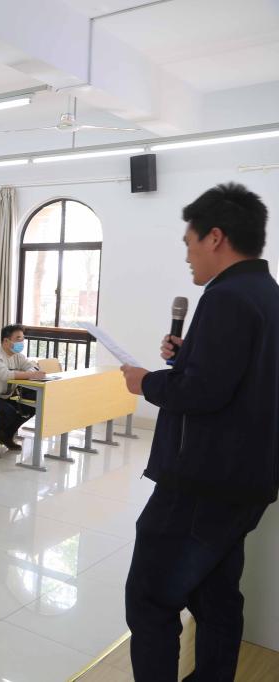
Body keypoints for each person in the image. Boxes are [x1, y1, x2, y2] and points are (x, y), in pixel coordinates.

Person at [118, 183, 279, 681]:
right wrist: (187, 355)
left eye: (189, 243)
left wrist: (147, 381)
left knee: (150, 599)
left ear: (215, 237)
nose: (187, 256)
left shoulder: (226, 297)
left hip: (201, 484)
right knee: (216, 595)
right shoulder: (267, 295)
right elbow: (242, 378)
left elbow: (203, 393)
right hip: (246, 480)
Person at [0, 324, 45, 457]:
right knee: (9, 412)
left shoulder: (17, 355)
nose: (21, 342)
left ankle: (6, 436)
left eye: (22, 339)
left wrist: (31, 372)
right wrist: (30, 374)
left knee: (29, 408)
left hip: (4, 395)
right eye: (18, 339)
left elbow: (33, 366)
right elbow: (4, 375)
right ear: (6, 341)